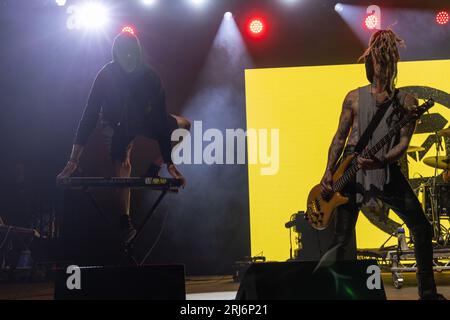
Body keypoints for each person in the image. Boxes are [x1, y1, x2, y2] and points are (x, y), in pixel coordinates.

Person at [320, 29, 445, 300]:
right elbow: (339, 138)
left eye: (389, 63)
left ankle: (428, 293)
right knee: (340, 238)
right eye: (379, 61)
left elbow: (401, 144)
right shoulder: (353, 97)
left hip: (385, 168)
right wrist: (328, 171)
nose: (384, 68)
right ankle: (330, 293)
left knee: (421, 228)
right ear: (370, 64)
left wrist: (381, 159)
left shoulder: (407, 102)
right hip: (350, 171)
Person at [57, 31, 190, 244]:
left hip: (143, 119)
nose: (127, 58)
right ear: (115, 54)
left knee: (184, 125)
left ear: (137, 53)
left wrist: (169, 163)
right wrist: (73, 161)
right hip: (114, 122)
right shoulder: (105, 75)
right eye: (122, 54)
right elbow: (89, 116)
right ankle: (124, 220)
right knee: (123, 162)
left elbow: (160, 119)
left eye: (131, 54)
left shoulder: (150, 76)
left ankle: (155, 167)